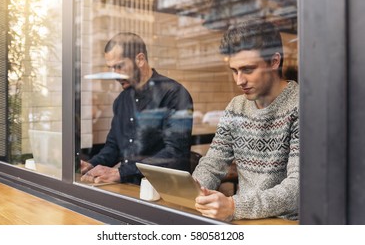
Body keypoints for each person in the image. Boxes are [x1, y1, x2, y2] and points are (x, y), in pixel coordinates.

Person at [192, 20, 299, 222]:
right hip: (243, 220)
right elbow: (213, 164)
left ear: (274, 61)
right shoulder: (236, 106)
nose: (239, 80)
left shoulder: (301, 105)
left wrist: (234, 205)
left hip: (286, 224)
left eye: (248, 69)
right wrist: (196, 191)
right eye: (234, 70)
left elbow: (297, 188)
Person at [81, 32, 193, 185]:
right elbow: (113, 147)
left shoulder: (174, 94)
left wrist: (121, 172)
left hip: (166, 190)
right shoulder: (121, 101)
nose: (114, 75)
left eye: (119, 66)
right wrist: (91, 164)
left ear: (140, 59)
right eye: (111, 68)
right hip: (131, 189)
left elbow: (175, 152)